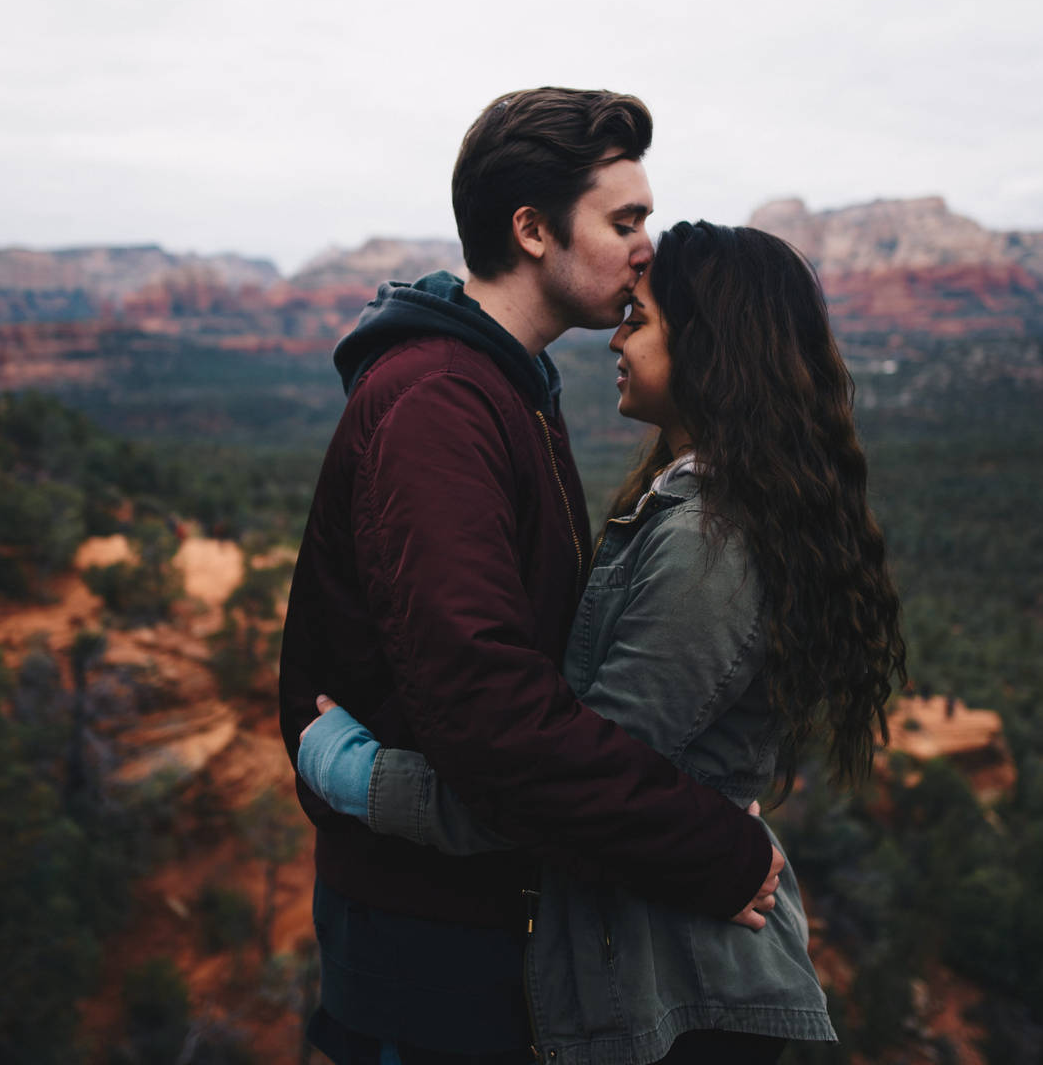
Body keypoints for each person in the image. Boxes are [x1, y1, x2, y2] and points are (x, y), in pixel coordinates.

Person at [298, 220, 909, 1064]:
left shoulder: (709, 542)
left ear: (710, 350)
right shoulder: (694, 506)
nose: (616, 338)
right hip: (667, 969)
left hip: (687, 995)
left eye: (640, 318)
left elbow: (570, 786)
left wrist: (359, 777)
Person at [277, 91, 786, 1065]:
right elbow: (491, 711)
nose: (648, 247)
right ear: (532, 230)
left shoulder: (508, 384)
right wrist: (715, 846)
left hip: (483, 927)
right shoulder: (439, 401)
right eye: (624, 220)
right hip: (427, 955)